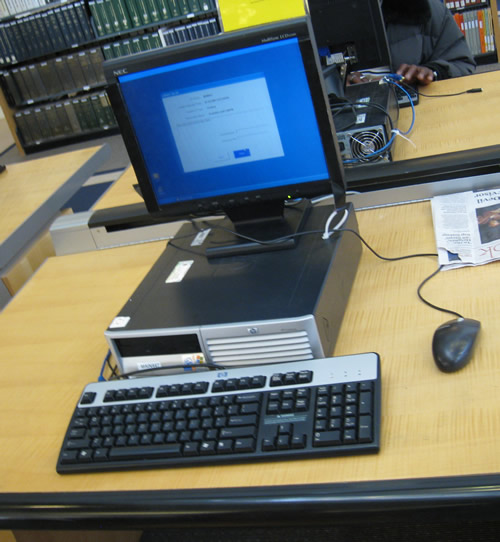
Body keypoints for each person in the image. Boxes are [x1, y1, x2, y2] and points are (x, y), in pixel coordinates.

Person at [349, 0, 476, 86]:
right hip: (343, 116)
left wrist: (433, 72)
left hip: (415, 112)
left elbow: (462, 64)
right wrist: (334, 86)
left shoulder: (428, 9)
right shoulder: (330, 16)